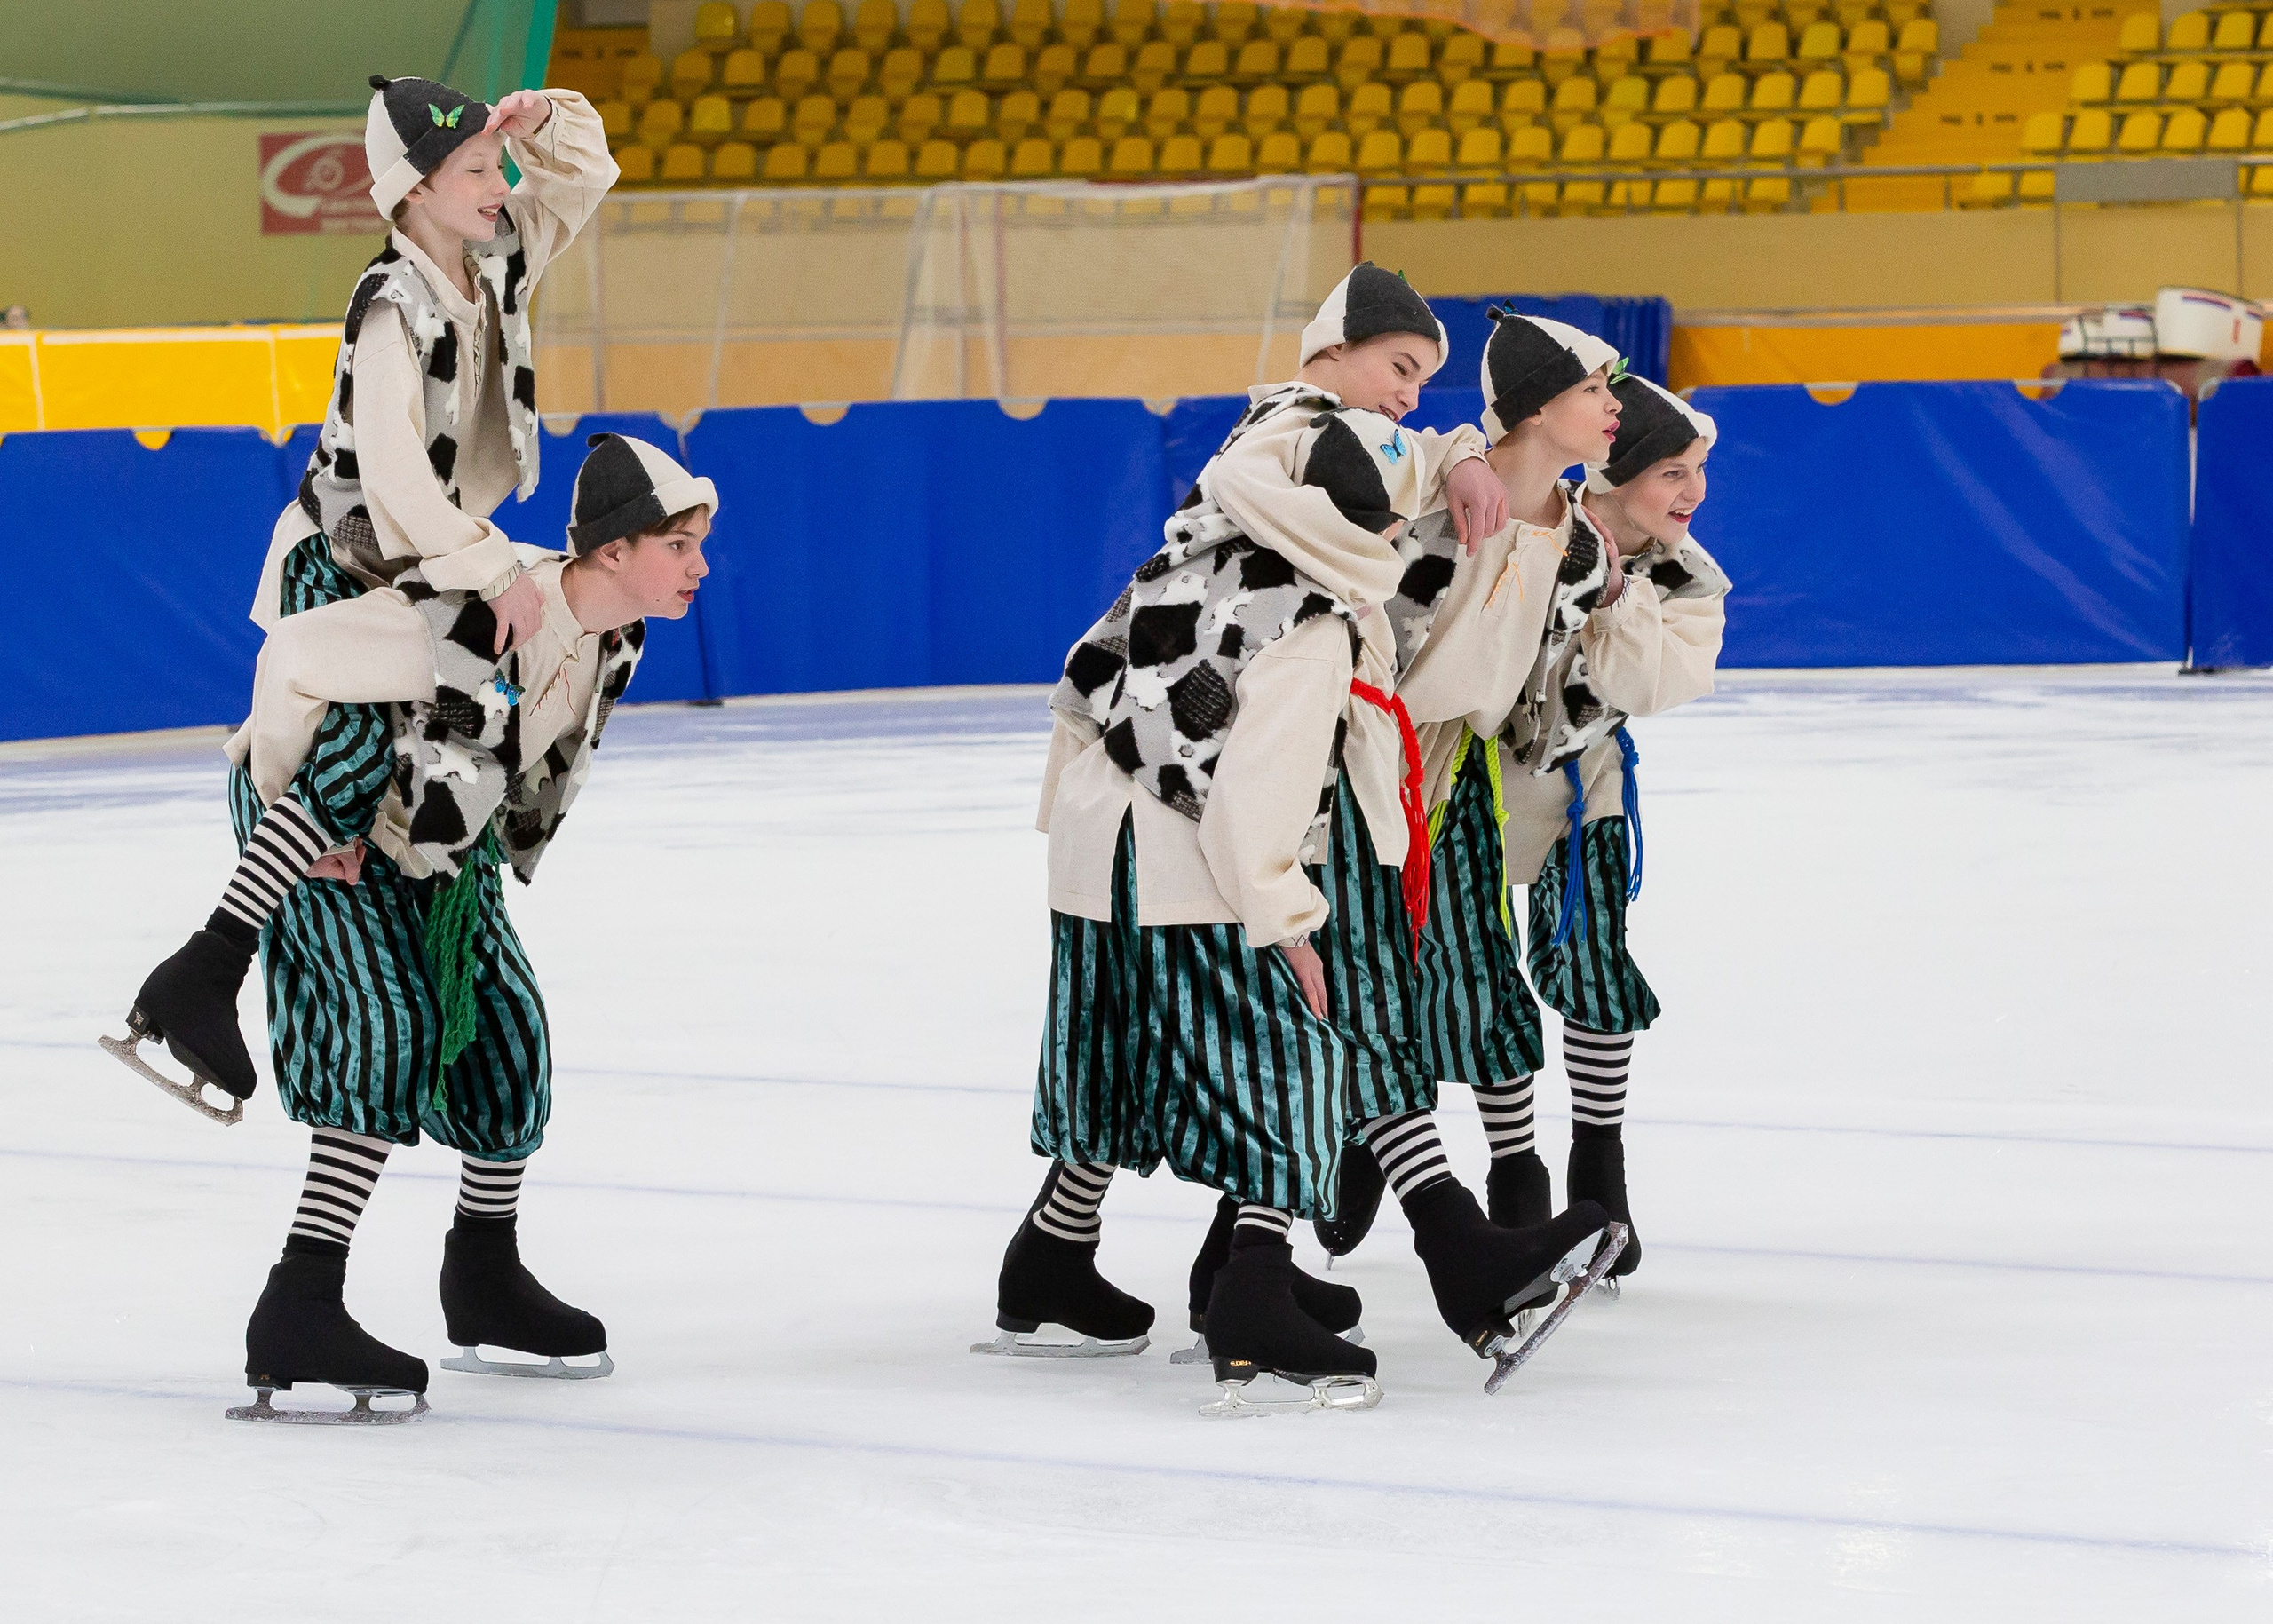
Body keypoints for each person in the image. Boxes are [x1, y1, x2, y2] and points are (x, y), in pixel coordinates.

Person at [986, 265, 1610, 1414]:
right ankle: (1260, 1286)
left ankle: (1117, 1260)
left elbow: (1439, 661)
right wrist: (1461, 453)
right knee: (1280, 1049)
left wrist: (1470, 473)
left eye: (1426, 383)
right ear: (1331, 352)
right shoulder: (1291, 475)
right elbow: (1286, 725)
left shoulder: (1302, 523)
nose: (1409, 404)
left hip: (1171, 816)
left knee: (1174, 1050)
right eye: (1399, 372)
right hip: (1178, 821)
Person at [101, 72, 615, 1121]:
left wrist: (537, 119)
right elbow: (394, 490)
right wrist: (499, 568)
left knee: (401, 771)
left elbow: (589, 171)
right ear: (414, 190)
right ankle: (223, 963)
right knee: (334, 756)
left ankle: (206, 969)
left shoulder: (501, 252)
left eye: (496, 164)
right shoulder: (391, 306)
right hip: (354, 561)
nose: (499, 178)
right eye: (473, 167)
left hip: (441, 561)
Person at [206, 432, 714, 1423]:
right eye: (680, 544)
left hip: (446, 842)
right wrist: (293, 808)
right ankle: (299, 1299)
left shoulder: (623, 636)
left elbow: (527, 758)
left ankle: (482, 1271)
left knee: (510, 1037)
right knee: (385, 1034)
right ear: (615, 549)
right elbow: (305, 662)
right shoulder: (493, 605)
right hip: (326, 821)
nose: (699, 566)